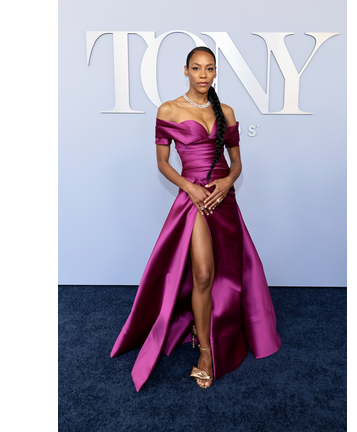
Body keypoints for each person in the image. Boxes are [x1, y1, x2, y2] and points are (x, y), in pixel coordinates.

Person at [110, 47, 280, 391]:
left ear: (215, 73)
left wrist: (227, 182)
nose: (203, 75)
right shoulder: (169, 109)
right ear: (185, 71)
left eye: (210, 69)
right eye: (197, 68)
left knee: (228, 273)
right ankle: (205, 352)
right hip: (194, 200)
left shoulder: (227, 112)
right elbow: (162, 163)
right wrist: (190, 187)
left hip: (222, 198)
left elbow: (237, 164)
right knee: (202, 273)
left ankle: (215, 327)